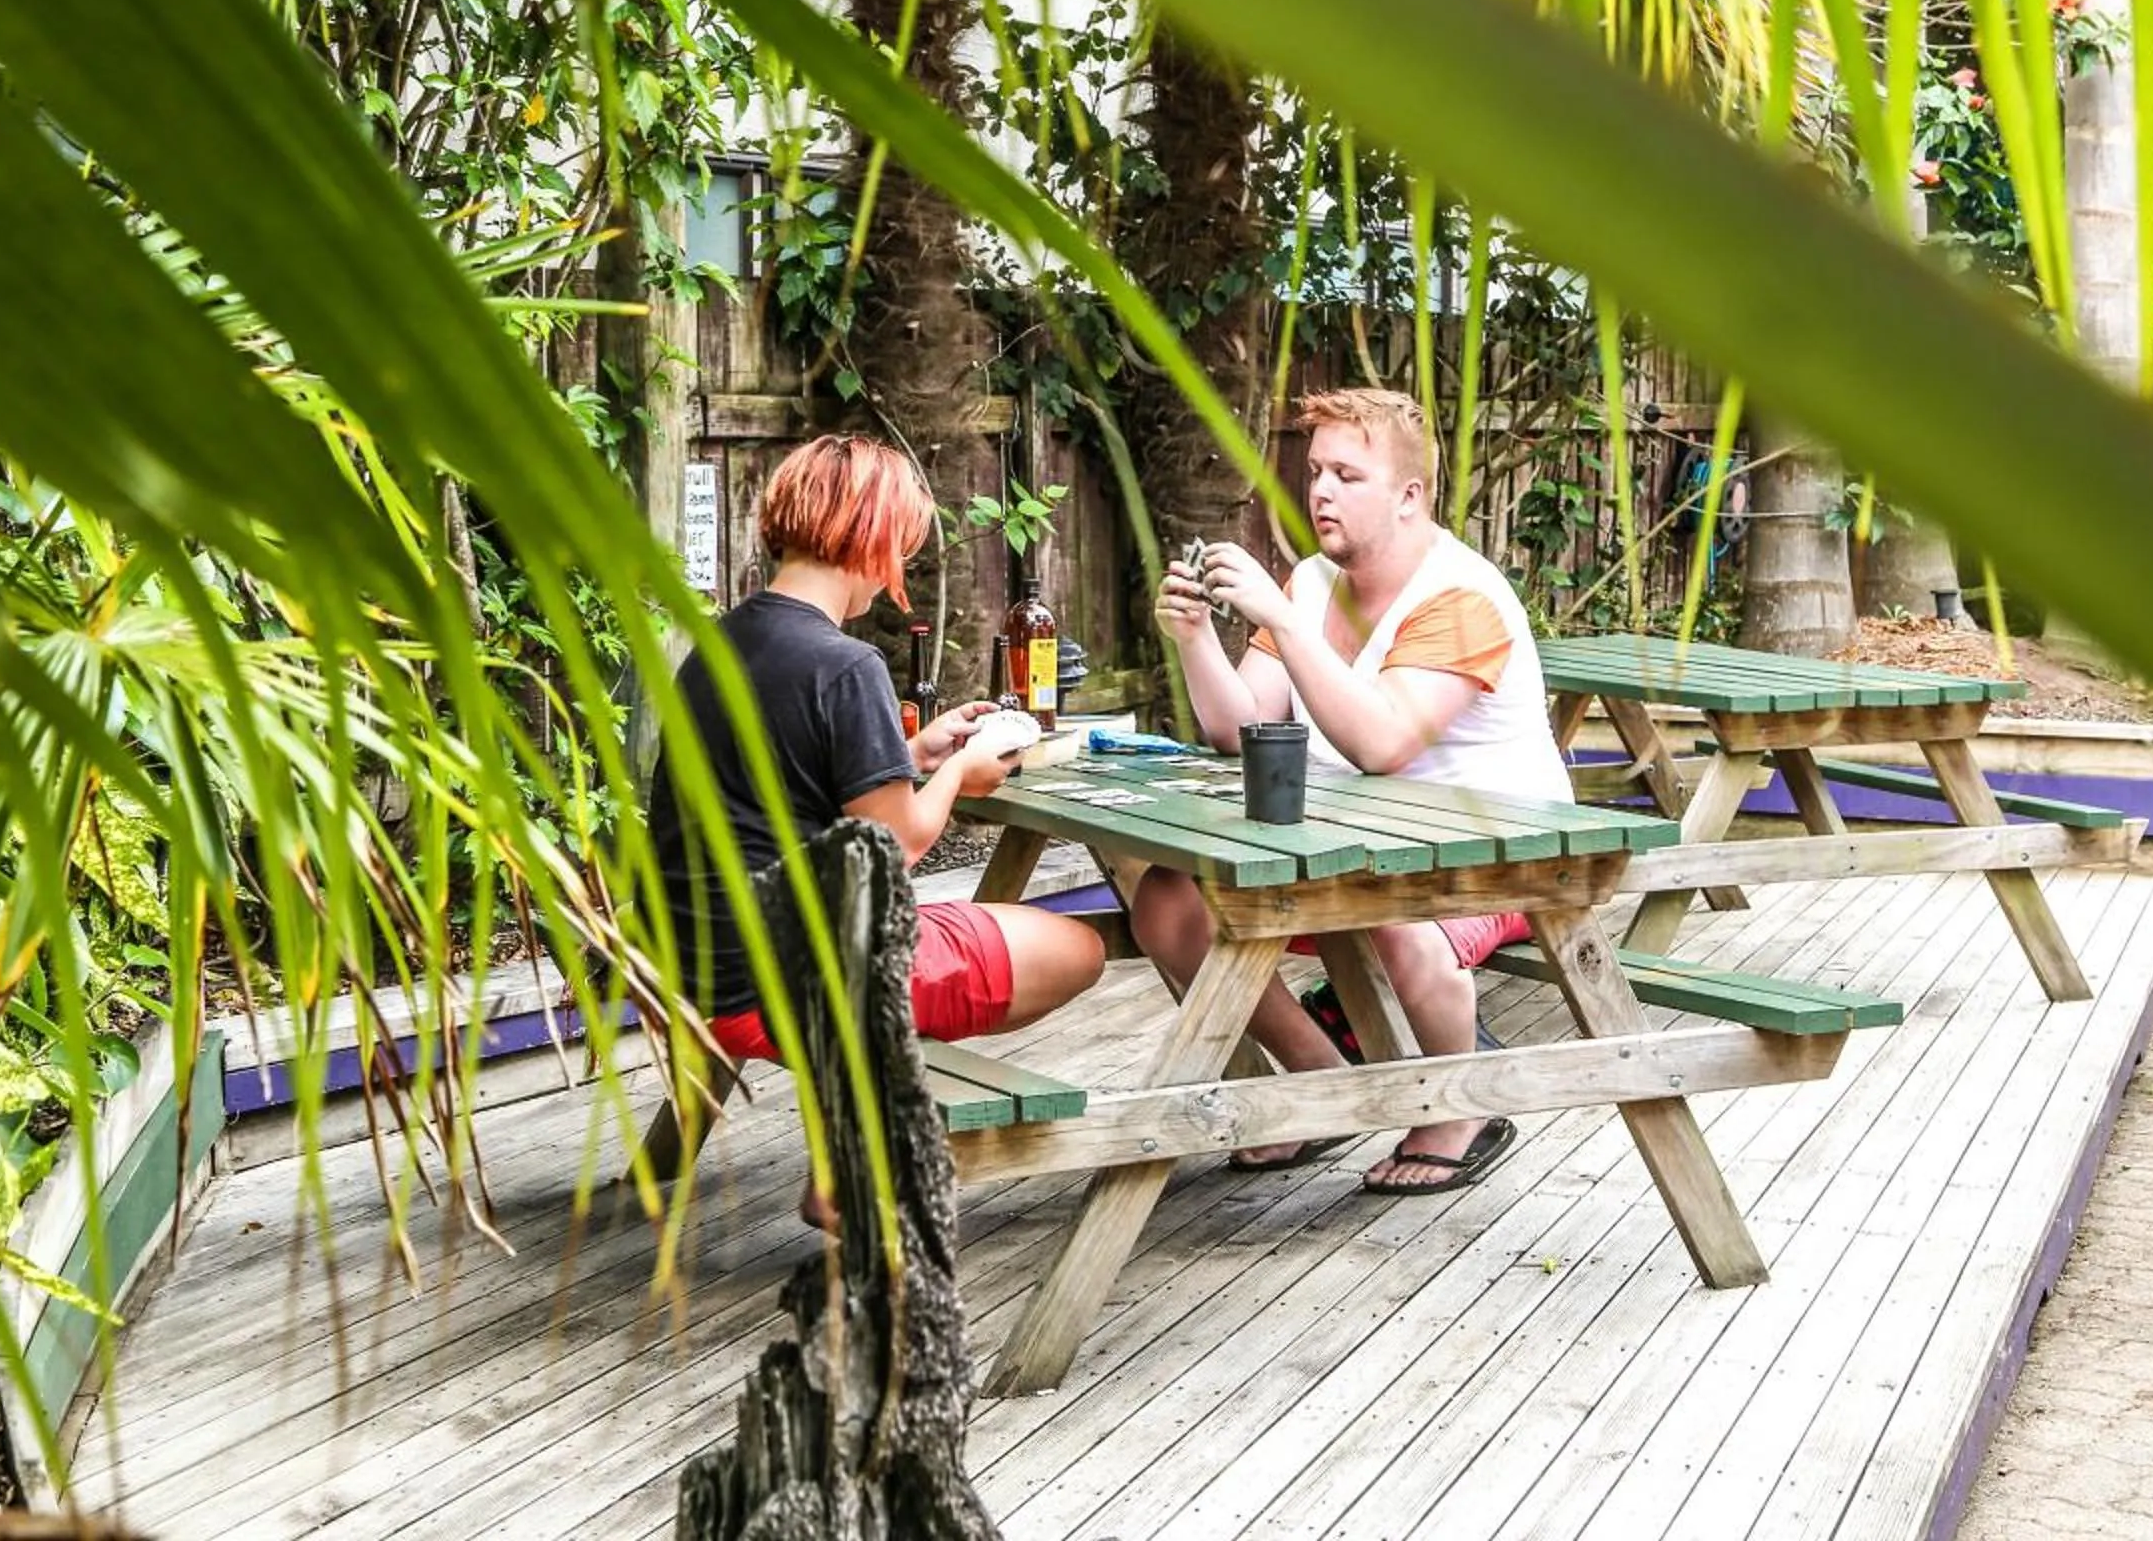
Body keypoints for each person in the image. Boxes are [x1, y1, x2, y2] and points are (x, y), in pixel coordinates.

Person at [1135, 387, 1572, 1195]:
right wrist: (1195, 637)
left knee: (1398, 921)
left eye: (1347, 474)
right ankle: (1316, 1080)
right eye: (1315, 473)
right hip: (1354, 846)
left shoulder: (1460, 598)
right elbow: (1240, 729)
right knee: (1167, 901)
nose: (1322, 491)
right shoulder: (1308, 584)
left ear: (1409, 497)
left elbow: (1380, 743)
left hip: (1502, 851)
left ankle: (1457, 1108)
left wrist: (1288, 625)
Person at [645, 435, 1104, 1071]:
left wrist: (910, 755)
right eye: (902, 552)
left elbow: (776, 777)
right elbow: (898, 847)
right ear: (872, 539)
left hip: (695, 969)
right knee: (1079, 948)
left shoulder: (722, 640)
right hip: (795, 982)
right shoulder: (846, 664)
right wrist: (963, 773)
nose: (896, 578)